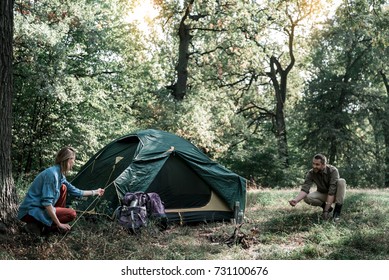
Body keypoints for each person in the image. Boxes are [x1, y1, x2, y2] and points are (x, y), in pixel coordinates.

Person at [18, 146, 105, 236]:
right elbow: (47, 203)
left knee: (63, 188)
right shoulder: (52, 174)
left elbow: (76, 191)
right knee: (71, 214)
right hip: (30, 212)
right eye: (73, 160)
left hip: (41, 209)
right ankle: (48, 227)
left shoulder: (60, 174)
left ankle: (45, 226)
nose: (74, 163)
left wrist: (95, 192)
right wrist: (59, 224)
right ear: (67, 159)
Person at [288, 153, 346, 221]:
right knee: (306, 198)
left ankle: (336, 213)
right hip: (322, 193)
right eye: (313, 163)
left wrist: (325, 212)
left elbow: (331, 192)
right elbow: (305, 189)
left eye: (317, 164)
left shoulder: (333, 171)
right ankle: (327, 208)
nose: (314, 166)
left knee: (341, 181)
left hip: (335, 195)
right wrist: (296, 200)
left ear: (324, 164)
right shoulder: (311, 173)